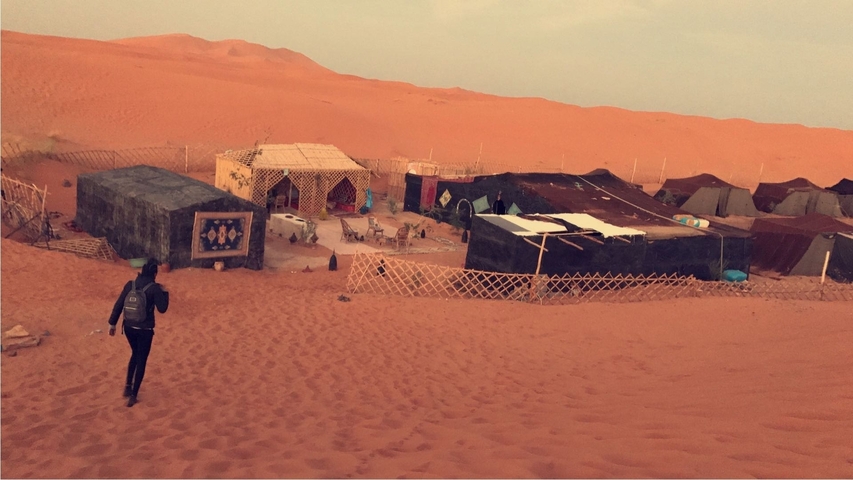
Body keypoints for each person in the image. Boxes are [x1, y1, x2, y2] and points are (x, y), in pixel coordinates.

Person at [108, 259, 169, 407]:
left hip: (129, 327)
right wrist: (165, 292)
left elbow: (119, 304)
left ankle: (127, 387)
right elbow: (162, 308)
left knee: (135, 354)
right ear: (154, 273)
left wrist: (112, 323)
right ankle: (133, 395)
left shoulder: (131, 285)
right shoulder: (154, 288)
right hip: (145, 330)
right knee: (141, 359)